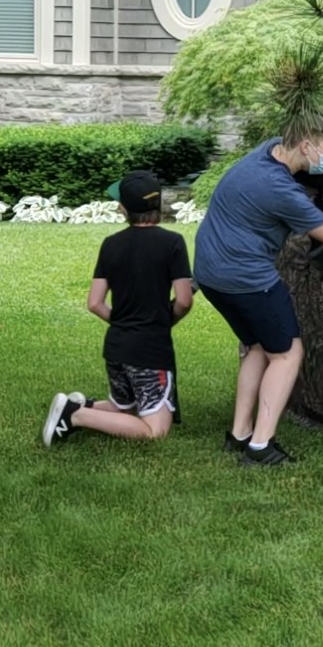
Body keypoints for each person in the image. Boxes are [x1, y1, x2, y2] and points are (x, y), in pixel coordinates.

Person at [193, 126, 323, 466]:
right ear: (307, 146)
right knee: (287, 353)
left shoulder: (269, 150)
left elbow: (296, 179)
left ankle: (239, 434)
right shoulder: (280, 189)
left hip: (210, 273)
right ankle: (261, 448)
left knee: (258, 346)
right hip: (247, 278)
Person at [42, 170, 193, 446]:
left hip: (116, 348)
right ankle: (74, 415)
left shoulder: (111, 244)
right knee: (155, 430)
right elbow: (184, 300)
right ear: (157, 204)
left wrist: (123, 322)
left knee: (126, 407)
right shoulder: (172, 243)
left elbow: (95, 303)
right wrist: (161, 321)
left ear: (124, 208)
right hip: (149, 351)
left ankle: (81, 404)